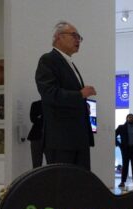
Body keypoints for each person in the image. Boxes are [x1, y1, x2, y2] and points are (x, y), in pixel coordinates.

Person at [35, 21, 96, 171]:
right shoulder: (48, 60)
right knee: (62, 187)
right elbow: (49, 93)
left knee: (80, 186)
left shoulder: (69, 63)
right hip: (61, 139)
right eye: (74, 36)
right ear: (58, 37)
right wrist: (80, 95)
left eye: (79, 38)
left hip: (78, 138)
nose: (78, 40)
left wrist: (83, 105)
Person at [115, 113, 133, 188]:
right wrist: (119, 144)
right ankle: (122, 182)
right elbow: (114, 134)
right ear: (126, 118)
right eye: (129, 117)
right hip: (125, 149)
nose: (131, 118)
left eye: (132, 117)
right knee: (125, 165)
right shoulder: (121, 127)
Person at [27, 100, 45, 168]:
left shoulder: (54, 104)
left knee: (53, 163)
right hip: (36, 137)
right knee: (36, 164)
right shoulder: (36, 104)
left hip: (50, 137)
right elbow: (33, 119)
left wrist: (40, 117)